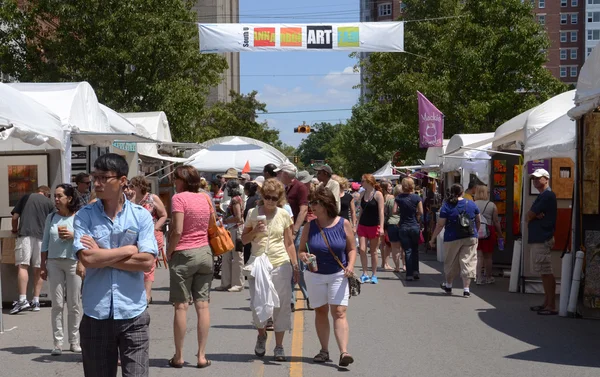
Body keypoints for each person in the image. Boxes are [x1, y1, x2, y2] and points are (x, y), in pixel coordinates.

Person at [74, 153, 157, 376]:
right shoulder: (84, 216)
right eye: (94, 177)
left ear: (122, 181)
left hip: (133, 314)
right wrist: (128, 250)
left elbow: (147, 261)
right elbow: (87, 259)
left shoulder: (141, 217)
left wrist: (101, 254)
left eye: (103, 177)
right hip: (96, 315)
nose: (97, 183)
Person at [298, 186, 357, 368]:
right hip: (315, 275)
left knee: (339, 312)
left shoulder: (343, 223)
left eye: (316, 203)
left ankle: (344, 352)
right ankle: (324, 350)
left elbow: (352, 248)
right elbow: (301, 250)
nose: (312, 207)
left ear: (326, 204)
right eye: (311, 203)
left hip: (338, 275)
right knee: (321, 311)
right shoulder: (310, 226)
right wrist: (304, 257)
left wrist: (350, 266)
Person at [241, 178, 299, 362]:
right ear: (262, 195)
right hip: (257, 263)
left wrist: (295, 265)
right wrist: (254, 231)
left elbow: (289, 243)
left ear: (279, 198)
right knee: (258, 304)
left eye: (274, 198)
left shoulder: (283, 215)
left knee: (280, 306)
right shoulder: (252, 213)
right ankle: (261, 335)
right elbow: (243, 240)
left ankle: (279, 346)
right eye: (267, 197)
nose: (270, 201)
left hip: (280, 262)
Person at [166, 165, 214, 368]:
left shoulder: (179, 198)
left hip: (184, 253)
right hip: (205, 252)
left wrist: (169, 251)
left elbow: (177, 229)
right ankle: (202, 356)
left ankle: (179, 356)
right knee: (202, 305)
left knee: (181, 306)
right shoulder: (205, 198)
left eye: (176, 179)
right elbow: (212, 223)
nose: (174, 183)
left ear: (183, 180)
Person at [40, 184, 84, 355]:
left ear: (69, 198)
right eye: (55, 196)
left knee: (74, 304)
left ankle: (74, 341)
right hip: (54, 262)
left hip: (73, 261)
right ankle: (57, 343)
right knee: (57, 304)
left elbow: (86, 239)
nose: (56, 200)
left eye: (59, 196)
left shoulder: (79, 217)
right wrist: (42, 265)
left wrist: (73, 236)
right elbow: (45, 243)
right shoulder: (51, 218)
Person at [429, 184, 480, 297]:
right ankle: (466, 289)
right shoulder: (471, 204)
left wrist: (433, 238)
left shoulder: (447, 206)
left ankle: (448, 285)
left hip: (452, 237)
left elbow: (440, 224)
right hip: (470, 236)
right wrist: (476, 233)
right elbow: (478, 220)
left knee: (450, 262)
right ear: (462, 192)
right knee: (468, 261)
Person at [10, 185, 54, 314]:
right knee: (39, 268)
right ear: (47, 194)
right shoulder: (49, 203)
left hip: (25, 235)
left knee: (23, 266)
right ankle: (36, 301)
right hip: (42, 239)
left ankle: (23, 300)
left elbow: (15, 217)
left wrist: (14, 229)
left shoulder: (26, 197)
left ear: (38, 191)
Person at [276, 161, 310, 311]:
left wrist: (295, 231)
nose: (277, 175)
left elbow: (303, 211)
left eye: (279, 173)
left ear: (285, 174)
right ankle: (290, 299)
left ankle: (308, 296)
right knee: (288, 264)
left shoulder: (300, 187)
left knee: (298, 265)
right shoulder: (281, 187)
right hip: (284, 229)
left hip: (298, 229)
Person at [129, 176, 168, 303]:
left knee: (149, 265)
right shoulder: (130, 199)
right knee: (136, 264)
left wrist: (155, 228)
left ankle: (147, 295)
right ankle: (137, 292)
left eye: (132, 186)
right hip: (135, 236)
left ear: (140, 186)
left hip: (151, 236)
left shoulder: (152, 198)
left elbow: (163, 215)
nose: (130, 188)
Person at [527, 169, 558, 315]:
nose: (535, 181)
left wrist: (533, 215)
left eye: (538, 178)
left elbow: (529, 215)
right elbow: (530, 215)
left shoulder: (547, 196)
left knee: (546, 271)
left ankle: (551, 305)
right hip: (540, 236)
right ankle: (547, 302)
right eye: (533, 179)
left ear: (546, 179)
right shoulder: (543, 196)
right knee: (543, 271)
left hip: (542, 237)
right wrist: (533, 215)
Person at [215, 179, 245, 292]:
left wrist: (226, 221)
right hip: (232, 229)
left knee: (237, 257)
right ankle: (226, 283)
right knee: (227, 256)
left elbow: (238, 218)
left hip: (236, 230)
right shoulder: (236, 199)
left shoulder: (236, 200)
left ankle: (237, 283)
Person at [355, 174, 384, 284]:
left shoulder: (378, 195)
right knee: (362, 249)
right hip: (363, 225)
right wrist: (356, 224)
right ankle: (365, 273)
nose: (361, 183)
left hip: (374, 225)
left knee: (373, 251)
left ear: (368, 181)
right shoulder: (362, 194)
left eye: (362, 181)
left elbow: (381, 212)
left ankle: (374, 274)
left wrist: (381, 227)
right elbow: (360, 210)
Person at [395, 178, 424, 281]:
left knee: (407, 250)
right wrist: (415, 214)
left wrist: (402, 212)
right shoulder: (417, 197)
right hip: (414, 225)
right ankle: (416, 271)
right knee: (415, 249)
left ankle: (409, 274)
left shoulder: (398, 198)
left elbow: (394, 211)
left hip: (403, 225)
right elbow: (421, 211)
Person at [474, 185, 503, 285]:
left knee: (479, 256)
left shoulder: (473, 204)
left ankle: (478, 278)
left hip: (476, 230)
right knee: (488, 257)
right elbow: (496, 221)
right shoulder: (492, 205)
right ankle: (488, 277)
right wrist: (500, 234)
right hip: (488, 230)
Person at [387, 185, 405, 273]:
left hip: (392, 224)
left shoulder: (390, 201)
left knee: (395, 247)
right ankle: (404, 265)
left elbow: (385, 214)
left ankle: (397, 267)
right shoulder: (405, 201)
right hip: (403, 224)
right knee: (404, 247)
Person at [243, 181, 260, 263]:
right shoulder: (257, 198)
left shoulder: (251, 200)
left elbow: (247, 215)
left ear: (247, 190)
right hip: (256, 228)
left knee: (248, 251)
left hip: (251, 228)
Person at [380, 181, 395, 271]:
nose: (391, 187)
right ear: (385, 187)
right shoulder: (391, 197)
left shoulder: (380, 196)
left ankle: (383, 263)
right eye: (389, 186)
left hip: (381, 221)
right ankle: (386, 263)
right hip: (388, 221)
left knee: (383, 243)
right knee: (388, 244)